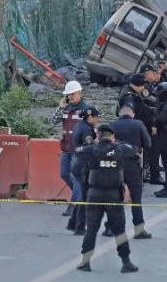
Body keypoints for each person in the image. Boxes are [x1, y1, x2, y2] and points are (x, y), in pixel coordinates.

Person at [75, 125, 138, 273]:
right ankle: (126, 262)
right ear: (112, 136)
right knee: (119, 230)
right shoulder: (121, 148)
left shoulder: (91, 149)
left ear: (98, 136)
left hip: (94, 194)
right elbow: (134, 151)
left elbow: (78, 156)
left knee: (91, 229)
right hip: (114, 195)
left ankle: (85, 262)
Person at [109, 106, 153, 237]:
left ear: (120, 114)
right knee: (136, 197)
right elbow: (148, 143)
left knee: (115, 196)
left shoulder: (113, 125)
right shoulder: (138, 124)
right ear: (132, 114)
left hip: (115, 163)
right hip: (132, 164)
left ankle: (112, 228)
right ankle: (139, 230)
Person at [50, 80, 88, 217]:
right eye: (68, 95)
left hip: (79, 150)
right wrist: (60, 107)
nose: (70, 97)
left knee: (76, 177)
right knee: (64, 174)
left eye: (72, 94)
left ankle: (74, 203)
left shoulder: (85, 109)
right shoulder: (66, 108)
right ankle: (80, 195)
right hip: (66, 148)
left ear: (79, 93)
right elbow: (52, 121)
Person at [67, 106, 101, 236]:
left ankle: (72, 223)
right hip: (83, 165)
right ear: (90, 116)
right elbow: (90, 148)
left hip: (77, 162)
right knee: (85, 198)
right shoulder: (86, 129)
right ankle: (79, 227)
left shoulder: (80, 125)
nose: (98, 119)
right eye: (97, 117)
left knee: (83, 196)